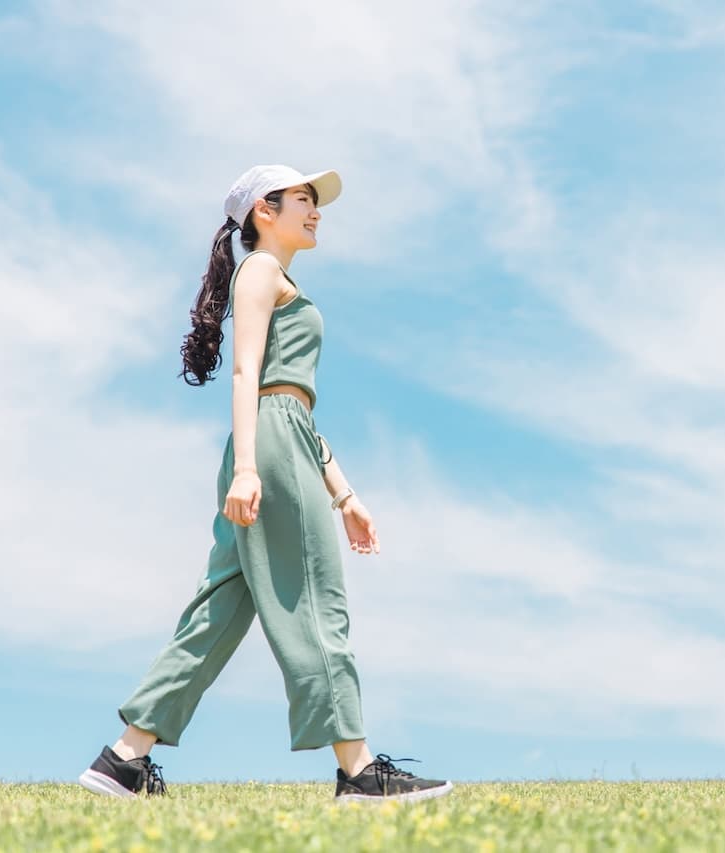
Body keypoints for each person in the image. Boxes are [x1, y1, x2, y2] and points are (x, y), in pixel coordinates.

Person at [76, 164, 453, 803]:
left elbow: (295, 404)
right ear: (263, 213)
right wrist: (249, 468)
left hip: (283, 439)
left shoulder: (276, 277)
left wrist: (344, 493)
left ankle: (123, 761)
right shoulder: (261, 273)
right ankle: (359, 771)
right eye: (303, 200)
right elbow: (248, 376)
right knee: (314, 596)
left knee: (221, 606)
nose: (316, 211)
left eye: (315, 201)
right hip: (268, 446)